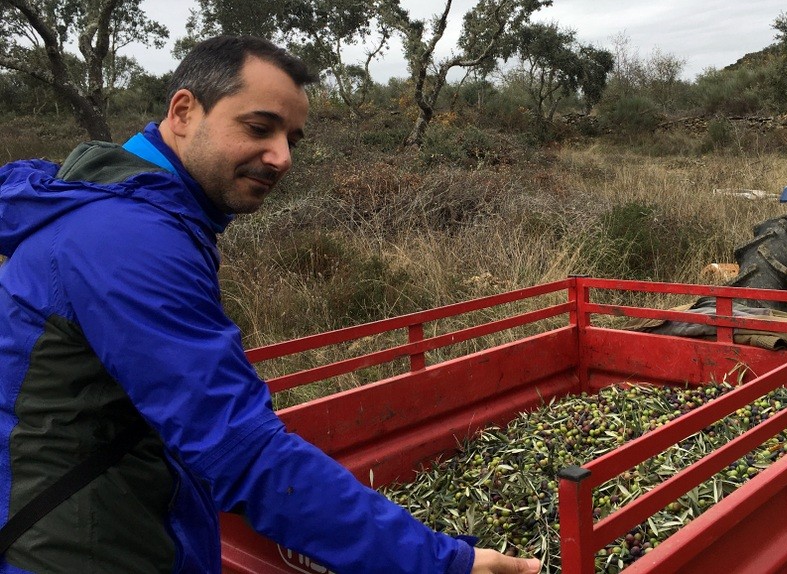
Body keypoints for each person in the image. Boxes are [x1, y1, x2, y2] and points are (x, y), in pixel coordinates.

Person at [0, 36, 541, 574]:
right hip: (74, 547)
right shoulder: (126, 239)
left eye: (292, 139)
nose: (281, 157)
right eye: (259, 128)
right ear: (184, 112)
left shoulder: (133, 209)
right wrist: (444, 563)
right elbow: (242, 452)